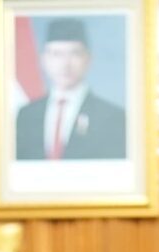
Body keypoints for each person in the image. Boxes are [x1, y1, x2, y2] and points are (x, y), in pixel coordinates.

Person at [12, 19, 126, 161]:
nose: (65, 64)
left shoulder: (112, 117)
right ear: (43, 59)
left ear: (88, 59)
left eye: (74, 54)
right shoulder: (26, 115)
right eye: (56, 54)